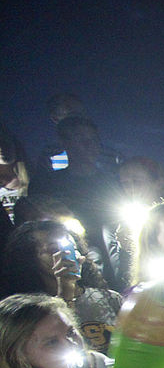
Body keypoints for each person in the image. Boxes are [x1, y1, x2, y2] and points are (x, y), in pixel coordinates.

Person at [2, 220, 122, 353]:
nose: (66, 255)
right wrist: (65, 290)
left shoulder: (109, 298)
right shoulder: (29, 314)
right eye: (54, 250)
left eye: (71, 248)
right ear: (30, 260)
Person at [28, 116, 122, 288]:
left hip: (113, 263)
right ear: (65, 143)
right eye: (81, 140)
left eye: (93, 140)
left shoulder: (113, 183)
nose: (90, 145)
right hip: (69, 265)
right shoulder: (46, 184)